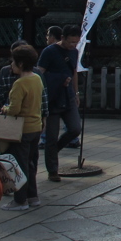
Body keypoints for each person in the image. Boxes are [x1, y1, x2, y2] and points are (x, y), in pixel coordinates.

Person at [1, 44, 44, 211]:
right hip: (36, 126)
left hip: (22, 129)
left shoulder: (20, 84)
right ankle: (33, 196)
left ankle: (20, 200)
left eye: (13, 62)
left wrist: (5, 108)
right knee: (30, 163)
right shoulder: (37, 78)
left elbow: (14, 110)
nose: (11, 65)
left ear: (20, 64)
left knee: (20, 164)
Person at [38, 24, 82, 181]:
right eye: (70, 42)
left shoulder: (75, 52)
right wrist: (56, 80)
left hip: (68, 94)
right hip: (53, 96)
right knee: (51, 134)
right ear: (62, 38)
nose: (73, 45)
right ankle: (53, 170)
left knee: (75, 128)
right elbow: (40, 73)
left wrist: (76, 92)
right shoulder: (49, 51)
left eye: (76, 42)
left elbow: (74, 72)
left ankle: (54, 149)